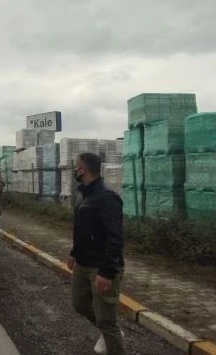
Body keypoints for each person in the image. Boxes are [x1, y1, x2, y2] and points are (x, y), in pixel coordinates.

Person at [67, 152, 126, 355]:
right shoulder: (83, 195)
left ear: (83, 168)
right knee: (79, 305)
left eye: (76, 166)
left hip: (101, 267)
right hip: (82, 264)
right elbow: (81, 230)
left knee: (107, 321)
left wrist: (107, 271)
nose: (75, 170)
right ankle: (107, 331)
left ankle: (111, 336)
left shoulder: (107, 197)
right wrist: (74, 253)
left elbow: (115, 237)